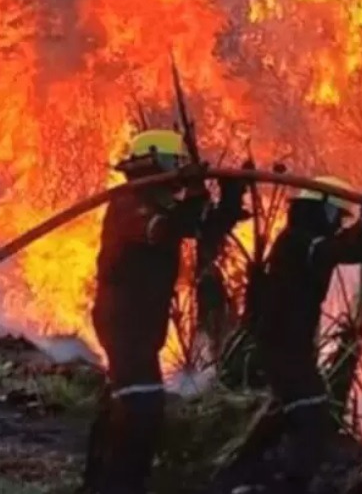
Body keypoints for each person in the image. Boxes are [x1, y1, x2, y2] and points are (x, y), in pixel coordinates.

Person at [83, 127, 246, 494]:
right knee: (142, 408)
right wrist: (193, 192)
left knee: (135, 406)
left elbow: (198, 227)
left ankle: (109, 481)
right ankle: (117, 485)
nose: (176, 173)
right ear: (153, 164)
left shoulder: (160, 205)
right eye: (174, 164)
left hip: (142, 325)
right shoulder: (130, 205)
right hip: (124, 322)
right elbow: (168, 228)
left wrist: (230, 198)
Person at [223, 176, 362, 494]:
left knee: (297, 413)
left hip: (291, 344)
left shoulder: (312, 242)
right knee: (311, 415)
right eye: (336, 215)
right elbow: (340, 248)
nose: (337, 223)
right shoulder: (299, 240)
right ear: (319, 211)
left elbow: (360, 249)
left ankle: (240, 478)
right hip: (282, 344)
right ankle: (282, 485)